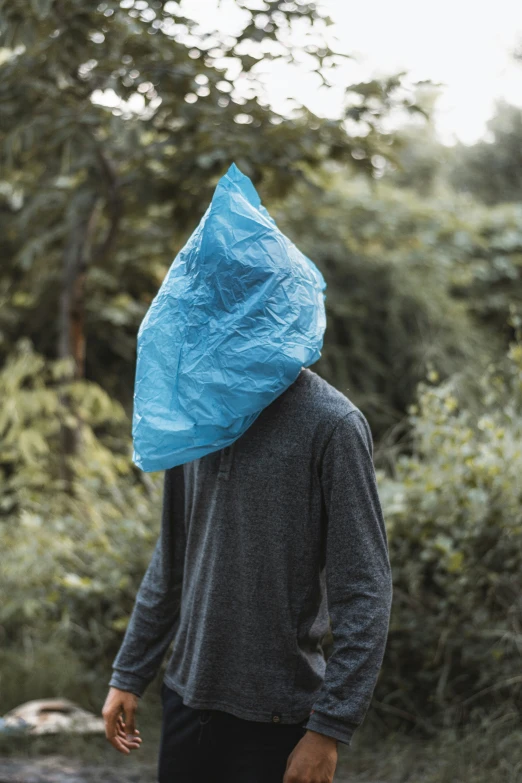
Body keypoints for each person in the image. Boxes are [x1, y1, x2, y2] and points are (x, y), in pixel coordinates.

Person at [102, 366, 393, 783]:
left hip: (278, 722)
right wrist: (128, 674)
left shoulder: (333, 424)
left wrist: (328, 729)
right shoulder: (196, 413)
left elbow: (366, 592)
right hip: (186, 701)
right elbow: (171, 562)